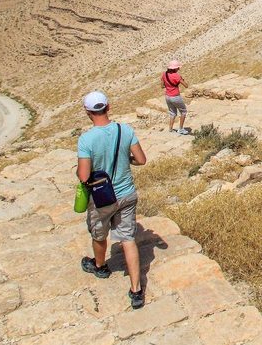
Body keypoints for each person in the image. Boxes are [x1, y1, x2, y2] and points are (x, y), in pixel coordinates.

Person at [76, 90, 148, 310]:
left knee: (99, 233)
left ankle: (100, 266)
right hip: (127, 193)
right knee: (127, 238)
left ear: (88, 112)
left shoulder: (87, 139)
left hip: (102, 197)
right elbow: (142, 160)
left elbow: (84, 176)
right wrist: (127, 162)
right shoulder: (124, 130)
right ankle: (136, 289)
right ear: (108, 107)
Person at [162, 60, 189, 134]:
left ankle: (170, 129)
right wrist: (181, 79)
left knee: (172, 113)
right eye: (178, 68)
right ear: (175, 68)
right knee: (183, 111)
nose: (179, 69)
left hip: (167, 96)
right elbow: (186, 86)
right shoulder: (176, 76)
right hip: (175, 96)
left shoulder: (164, 74)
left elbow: (162, 85)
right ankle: (181, 129)